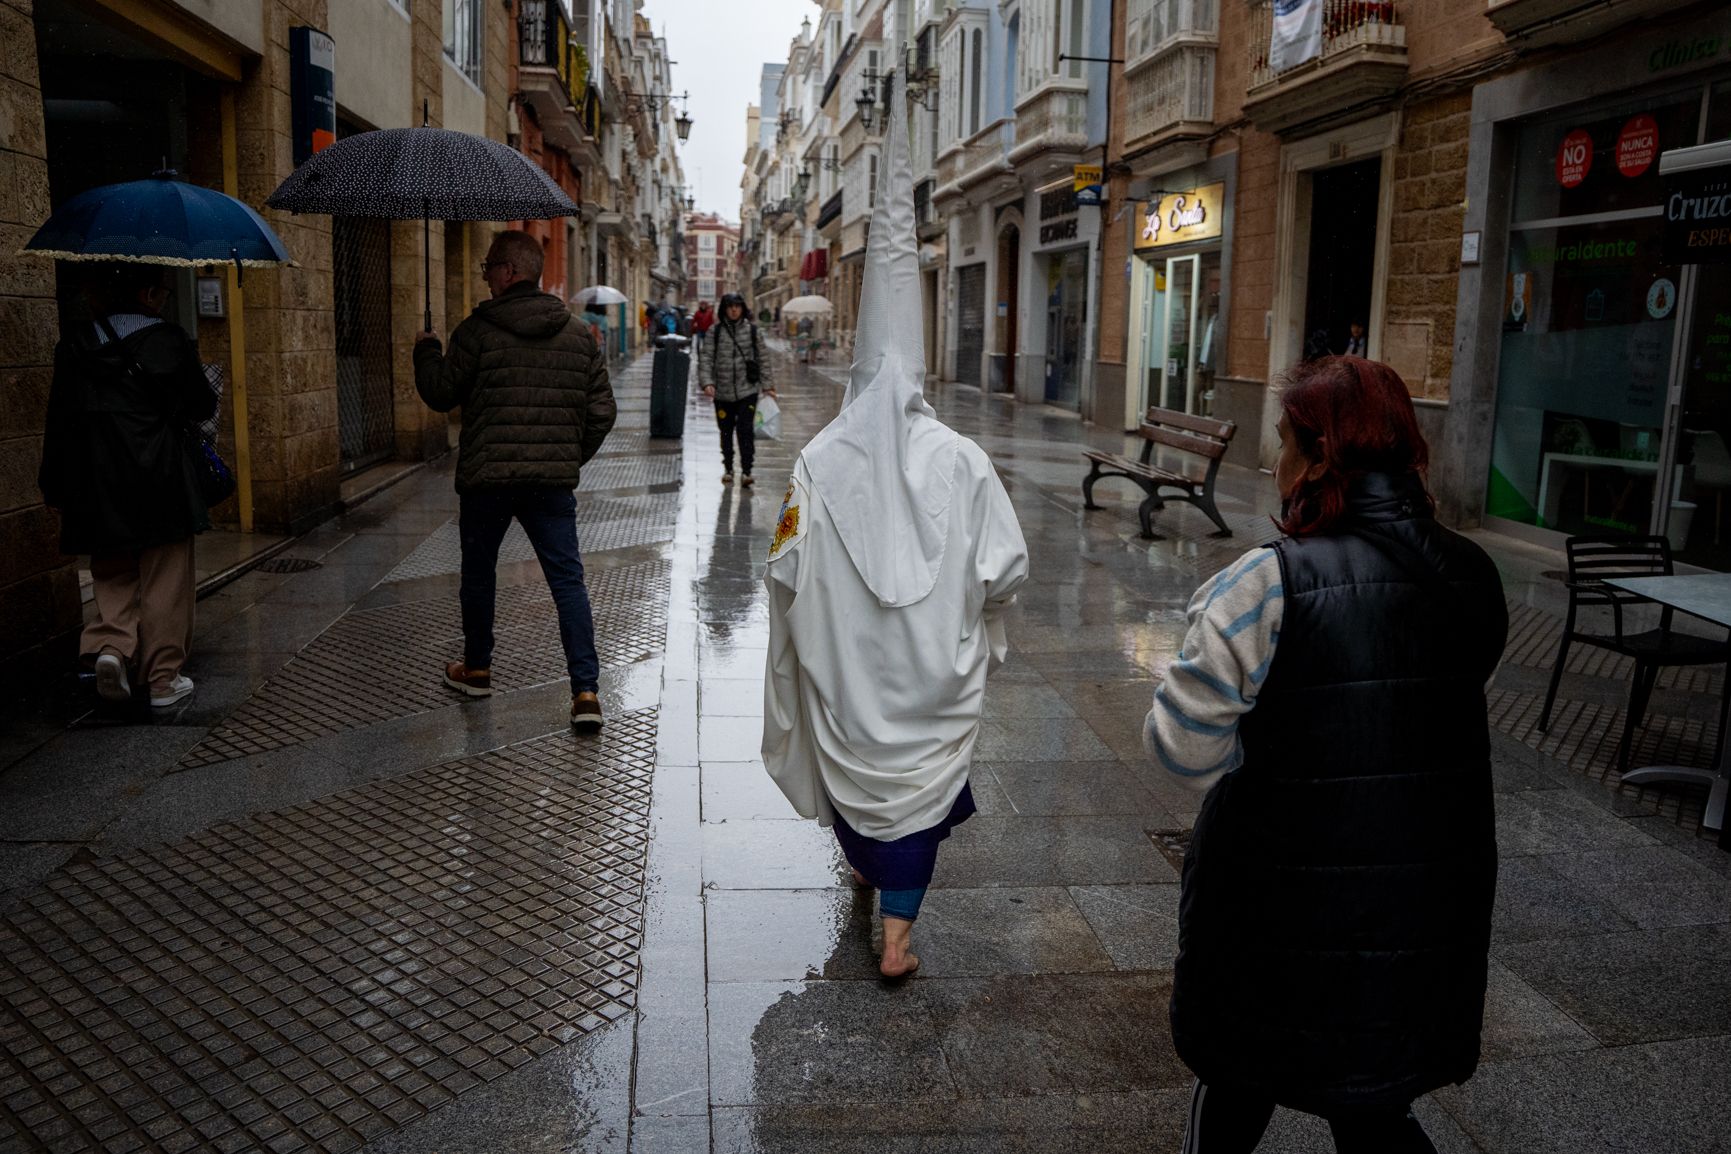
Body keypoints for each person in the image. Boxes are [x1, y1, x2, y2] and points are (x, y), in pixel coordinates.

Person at [1145, 356, 1508, 1154]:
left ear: (1316, 459)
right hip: (1421, 898)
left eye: (1282, 443)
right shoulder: (1473, 573)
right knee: (1373, 1095)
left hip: (1274, 901)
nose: (1273, 462)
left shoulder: (1263, 584)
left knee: (1239, 1074)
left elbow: (1182, 750)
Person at [763, 75, 1029, 980]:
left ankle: (859, 871)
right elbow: (1006, 568)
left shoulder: (815, 463)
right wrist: (971, 607)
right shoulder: (961, 460)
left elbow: (785, 564)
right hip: (930, 672)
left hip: (849, 668)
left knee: (857, 765)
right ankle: (898, 938)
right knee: (918, 789)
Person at [414, 230, 617, 733]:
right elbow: (602, 411)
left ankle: (477, 669)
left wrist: (426, 351)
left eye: (488, 268)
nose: (484, 276)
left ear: (508, 273)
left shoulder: (476, 332)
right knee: (567, 581)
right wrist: (566, 456)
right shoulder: (577, 336)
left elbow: (441, 393)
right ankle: (586, 691)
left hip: (487, 482)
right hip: (550, 486)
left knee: (479, 574)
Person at [39, 263, 217, 709]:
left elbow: (58, 422)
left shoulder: (75, 344)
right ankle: (161, 680)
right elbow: (201, 405)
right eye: (163, 292)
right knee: (165, 578)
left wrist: (56, 486)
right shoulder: (168, 340)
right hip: (160, 477)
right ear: (149, 294)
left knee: (112, 571)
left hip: (97, 479)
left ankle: (112, 650)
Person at [702, 292, 775, 486]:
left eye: (737, 306)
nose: (734, 310)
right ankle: (728, 468)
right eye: (730, 306)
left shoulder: (753, 331)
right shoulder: (714, 332)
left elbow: (763, 359)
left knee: (745, 431)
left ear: (742, 308)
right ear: (724, 309)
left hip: (747, 391)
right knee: (725, 432)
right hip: (723, 392)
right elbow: (707, 358)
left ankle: (747, 471)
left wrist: (768, 386)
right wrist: (707, 382)